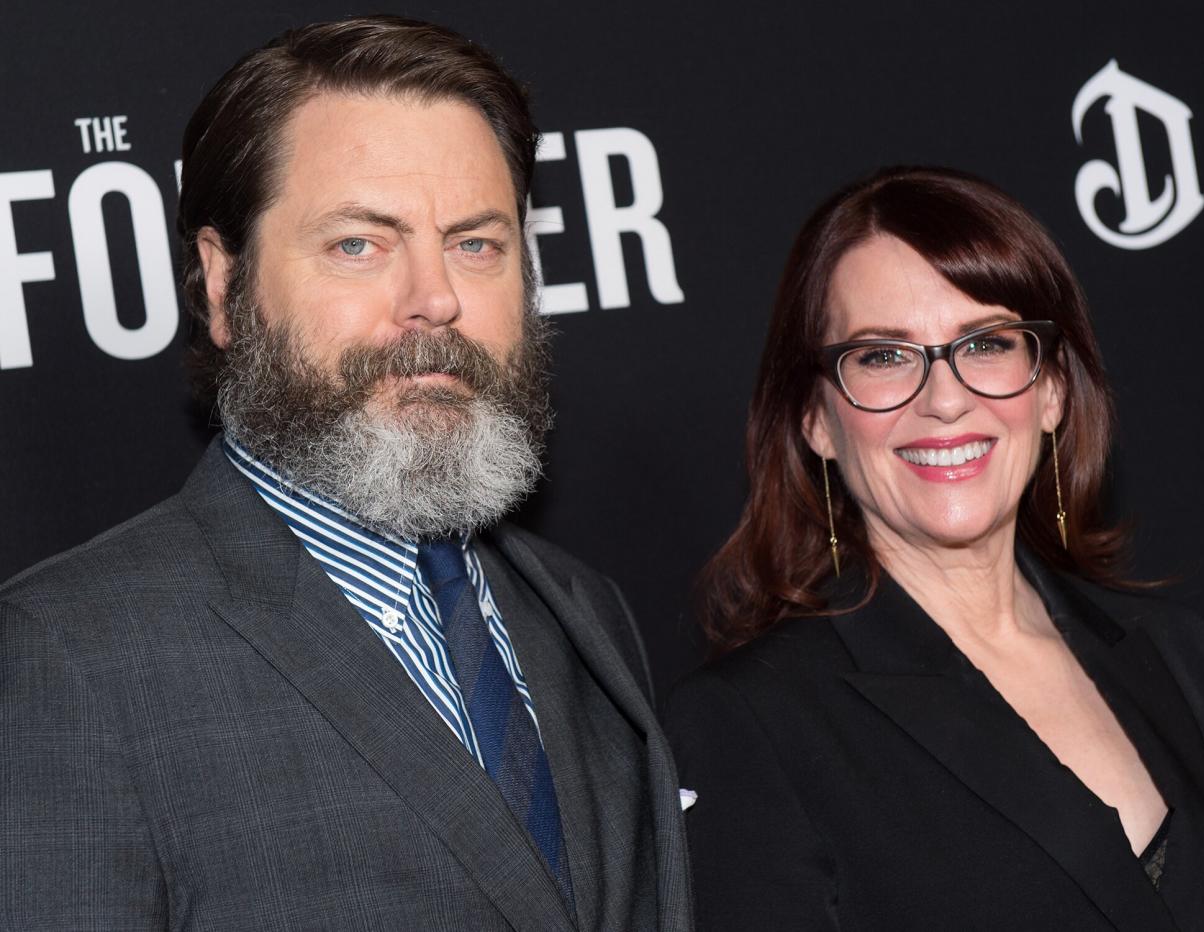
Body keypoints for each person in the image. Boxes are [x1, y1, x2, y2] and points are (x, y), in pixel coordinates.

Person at [0, 16, 691, 931]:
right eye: (358, 245)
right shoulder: (72, 660)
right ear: (222, 286)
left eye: (476, 244)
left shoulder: (580, 612)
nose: (434, 299)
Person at [664, 166, 1204, 930]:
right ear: (814, 419)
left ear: (1052, 389)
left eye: (986, 342)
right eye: (883, 356)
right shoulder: (753, 722)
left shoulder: (1171, 646)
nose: (945, 399)